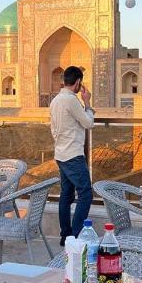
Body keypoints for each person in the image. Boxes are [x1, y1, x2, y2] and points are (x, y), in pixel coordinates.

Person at [49, 65, 94, 245]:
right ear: (77, 83)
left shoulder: (55, 101)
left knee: (66, 195)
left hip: (60, 153)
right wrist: (87, 102)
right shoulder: (71, 101)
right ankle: (75, 236)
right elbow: (88, 122)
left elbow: (53, 129)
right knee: (86, 194)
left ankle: (65, 235)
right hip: (73, 155)